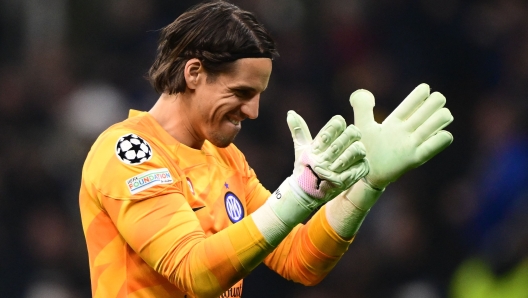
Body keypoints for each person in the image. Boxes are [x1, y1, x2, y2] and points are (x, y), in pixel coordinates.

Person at [79, 1, 454, 297]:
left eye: (258, 96)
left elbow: (301, 259)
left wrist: (366, 187)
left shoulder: (226, 159)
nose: (253, 112)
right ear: (194, 73)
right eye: (241, 93)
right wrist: (295, 194)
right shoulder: (128, 152)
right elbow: (195, 272)